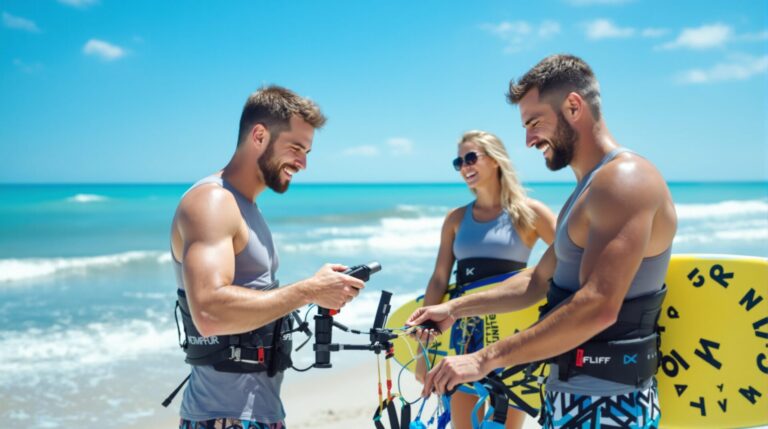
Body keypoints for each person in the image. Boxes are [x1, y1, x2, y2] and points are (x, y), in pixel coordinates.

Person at [409, 54, 677, 428]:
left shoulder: (624, 180)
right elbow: (536, 281)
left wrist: (483, 359)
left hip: (611, 405)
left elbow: (598, 305)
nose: (529, 140)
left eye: (534, 123)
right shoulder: (587, 191)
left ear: (573, 106)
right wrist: (454, 309)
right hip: (567, 398)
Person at [168, 85, 365, 429]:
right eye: (296, 148)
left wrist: (319, 288)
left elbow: (256, 300)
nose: (303, 163)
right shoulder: (213, 202)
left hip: (261, 414)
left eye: (307, 152)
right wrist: (309, 290)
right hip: (223, 418)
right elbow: (209, 312)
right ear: (259, 135)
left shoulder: (247, 207)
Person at [415, 130, 555, 429]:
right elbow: (439, 280)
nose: (464, 167)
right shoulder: (456, 219)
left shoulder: (530, 213)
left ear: (495, 159)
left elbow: (570, 256)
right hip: (464, 332)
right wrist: (423, 351)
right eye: (459, 162)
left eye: (470, 158)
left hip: (511, 334)